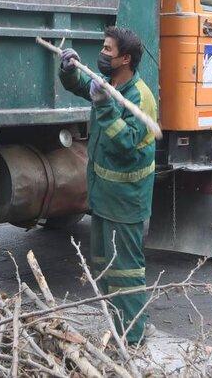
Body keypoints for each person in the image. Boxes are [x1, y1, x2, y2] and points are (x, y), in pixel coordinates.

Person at [58, 26, 157, 345]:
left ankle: (133, 339)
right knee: (105, 266)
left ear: (125, 58)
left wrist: (102, 105)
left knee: (124, 271)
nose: (101, 55)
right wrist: (70, 73)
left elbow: (127, 143)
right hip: (104, 196)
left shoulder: (140, 97)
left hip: (125, 201)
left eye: (108, 50)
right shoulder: (113, 83)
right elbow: (89, 86)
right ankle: (122, 324)